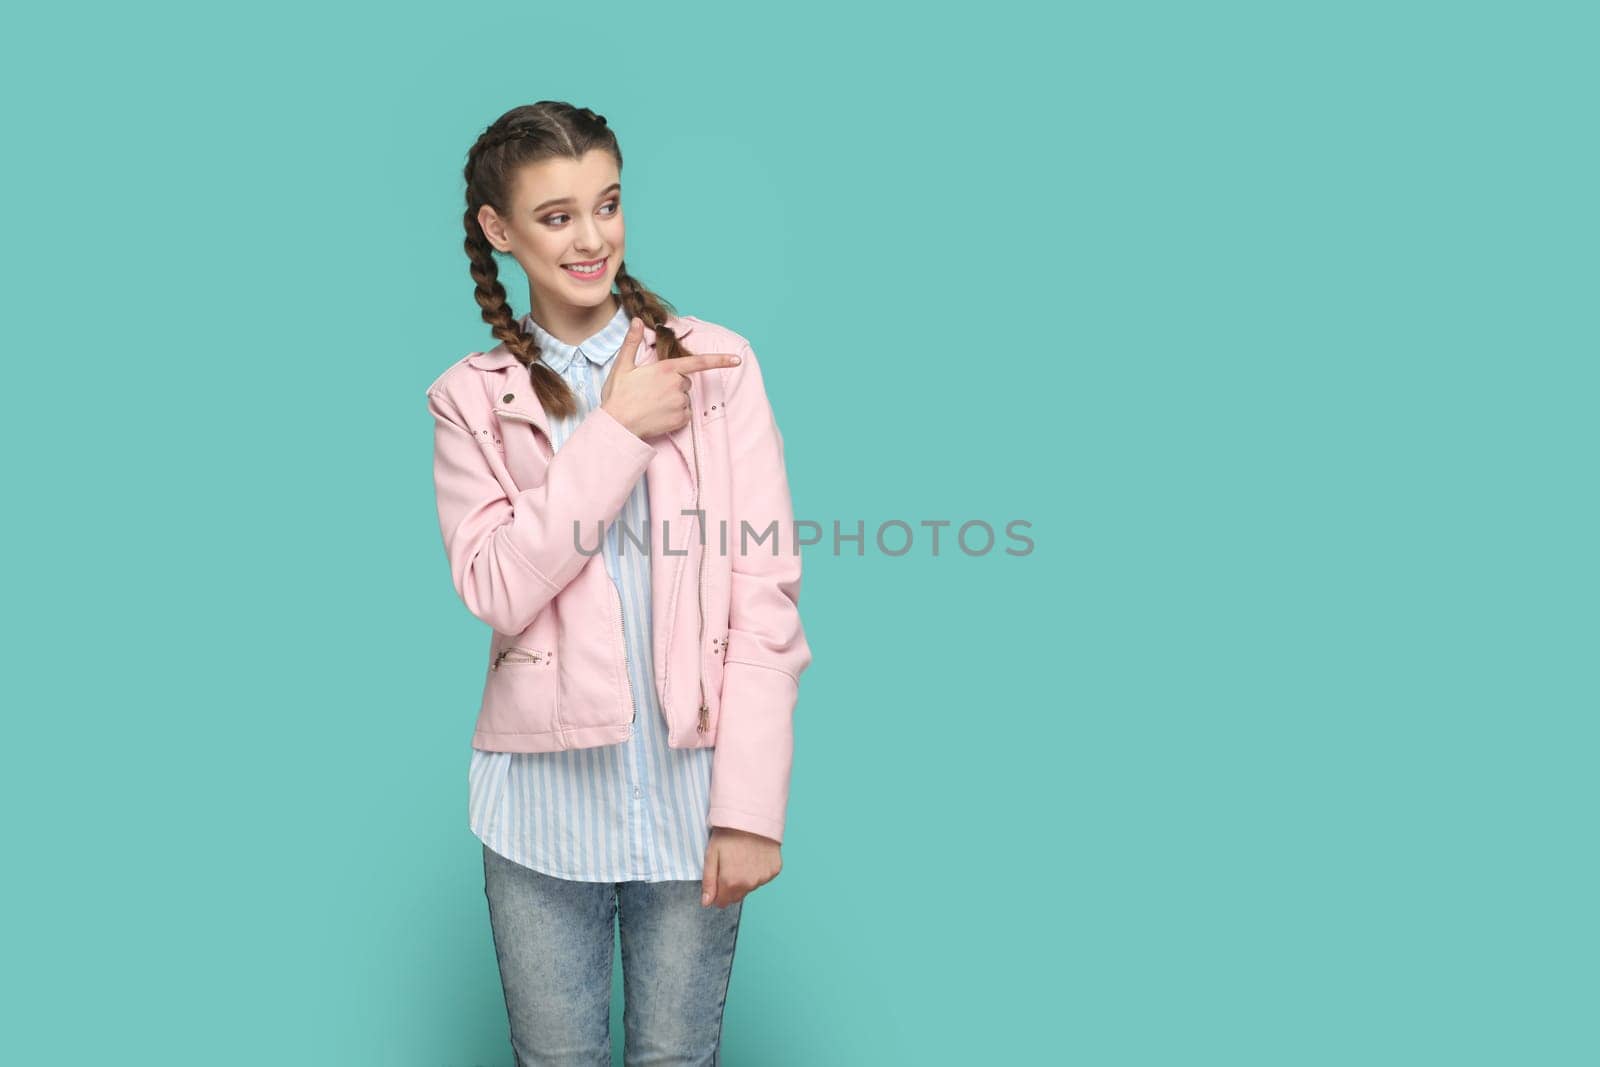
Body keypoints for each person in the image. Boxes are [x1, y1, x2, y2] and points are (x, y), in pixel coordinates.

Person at [423, 100, 812, 1064]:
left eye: (608, 203)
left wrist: (750, 809)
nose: (593, 237)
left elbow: (765, 591)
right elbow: (499, 585)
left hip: (694, 802)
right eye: (557, 216)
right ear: (499, 230)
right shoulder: (471, 399)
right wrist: (618, 428)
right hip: (539, 818)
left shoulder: (717, 366)